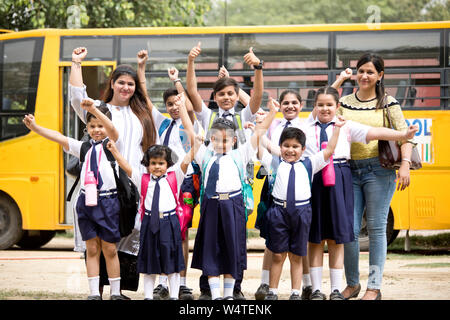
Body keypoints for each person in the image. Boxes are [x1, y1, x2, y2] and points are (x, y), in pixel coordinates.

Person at [304, 86, 418, 300]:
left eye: (329, 105)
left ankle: (342, 289)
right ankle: (321, 288)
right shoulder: (307, 128)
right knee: (318, 237)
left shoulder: (345, 126)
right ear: (314, 107)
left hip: (341, 177)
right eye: (320, 105)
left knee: (341, 236)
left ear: (338, 107)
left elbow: (374, 132)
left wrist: (403, 134)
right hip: (315, 180)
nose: (325, 108)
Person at [70, 47, 158, 297]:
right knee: (97, 241)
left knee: (127, 236)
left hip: (131, 187)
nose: (126, 88)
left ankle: (118, 291)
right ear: (113, 83)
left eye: (131, 84)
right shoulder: (99, 108)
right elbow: (77, 97)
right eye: (121, 82)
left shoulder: (142, 115)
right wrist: (76, 64)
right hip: (102, 189)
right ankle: (95, 290)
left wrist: (141, 69)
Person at [23, 100, 125, 300]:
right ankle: (94, 293)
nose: (97, 130)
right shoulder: (83, 147)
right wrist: (35, 127)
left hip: (107, 202)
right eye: (92, 126)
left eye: (100, 125)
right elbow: (59, 138)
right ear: (86, 128)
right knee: (92, 248)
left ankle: (115, 293)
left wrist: (94, 110)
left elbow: (112, 129)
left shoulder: (112, 144)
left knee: (110, 248)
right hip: (86, 202)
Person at [335, 53, 417, 300]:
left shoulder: (389, 103)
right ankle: (352, 284)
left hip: (379, 170)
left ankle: (373, 287)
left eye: (370, 72)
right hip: (349, 169)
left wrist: (404, 165)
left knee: (376, 228)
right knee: (348, 229)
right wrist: (339, 81)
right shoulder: (345, 102)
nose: (364, 76)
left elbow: (406, 136)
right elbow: (323, 106)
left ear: (380, 76)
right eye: (361, 71)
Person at [186, 43, 264, 300]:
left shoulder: (244, 117)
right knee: (210, 235)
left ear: (236, 94)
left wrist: (258, 68)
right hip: (211, 186)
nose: (227, 98)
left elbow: (257, 98)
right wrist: (190, 62)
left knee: (235, 237)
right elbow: (193, 93)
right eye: (222, 94)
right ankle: (208, 289)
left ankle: (235, 288)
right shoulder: (207, 117)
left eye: (231, 93)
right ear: (216, 97)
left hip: (239, 186)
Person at [182, 94, 277, 300]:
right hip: (210, 205)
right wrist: (182, 108)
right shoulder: (204, 154)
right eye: (216, 139)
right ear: (211, 139)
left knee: (232, 248)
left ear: (234, 140)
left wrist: (273, 113)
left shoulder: (240, 154)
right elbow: (190, 130)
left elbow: (259, 132)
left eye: (225, 140)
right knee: (211, 249)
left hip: (233, 204)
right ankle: (215, 295)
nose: (220, 143)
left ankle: (228, 295)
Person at [107, 93, 195, 300]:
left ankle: (174, 296)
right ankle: (148, 296)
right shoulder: (142, 177)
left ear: (168, 165)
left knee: (172, 263)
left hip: (170, 223)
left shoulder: (176, 176)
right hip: (149, 223)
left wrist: (196, 143)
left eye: (161, 163)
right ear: (147, 164)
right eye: (153, 163)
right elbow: (127, 167)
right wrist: (114, 151)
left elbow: (188, 157)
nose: (157, 167)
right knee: (149, 263)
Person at [258, 111, 344, 300]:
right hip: (278, 211)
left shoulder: (309, 164)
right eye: (286, 146)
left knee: (297, 255)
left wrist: (337, 129)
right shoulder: (274, 162)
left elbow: (329, 150)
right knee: (278, 255)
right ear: (279, 147)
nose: (290, 150)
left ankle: (295, 292)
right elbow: (258, 146)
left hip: (302, 212)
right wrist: (259, 126)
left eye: (295, 147)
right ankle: (272, 291)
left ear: (303, 149)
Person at [136, 49, 199, 300]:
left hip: (183, 181)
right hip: (158, 181)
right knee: (157, 230)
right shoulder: (162, 122)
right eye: (170, 104)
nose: (175, 107)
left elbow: (187, 105)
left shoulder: (189, 122)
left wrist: (177, 81)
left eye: (178, 103)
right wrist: (142, 68)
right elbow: (145, 96)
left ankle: (180, 281)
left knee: (179, 231)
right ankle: (161, 281)